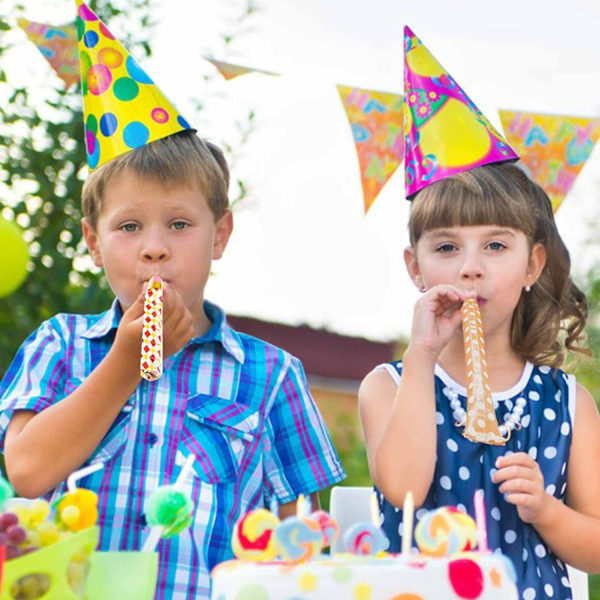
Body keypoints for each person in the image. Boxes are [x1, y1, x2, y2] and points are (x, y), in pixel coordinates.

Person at [0, 4, 345, 599]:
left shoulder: (272, 377)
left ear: (221, 236)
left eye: (180, 225)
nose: (154, 250)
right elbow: (28, 472)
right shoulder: (60, 345)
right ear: (93, 241)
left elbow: (302, 540)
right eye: (129, 228)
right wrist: (124, 365)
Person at [359, 26, 600, 600]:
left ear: (533, 264)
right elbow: (402, 488)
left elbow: (595, 547)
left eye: (495, 246)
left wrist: (545, 509)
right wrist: (420, 356)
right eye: (446, 248)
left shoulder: (566, 401)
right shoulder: (386, 385)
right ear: (414, 269)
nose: (470, 268)